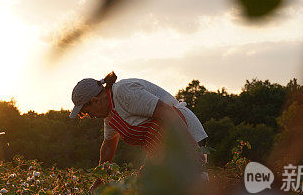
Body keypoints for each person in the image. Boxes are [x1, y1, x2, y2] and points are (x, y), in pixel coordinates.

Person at [70, 72, 208, 188]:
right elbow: (108, 146)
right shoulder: (110, 115)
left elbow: (167, 112)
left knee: (186, 193)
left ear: (95, 101)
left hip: (185, 133)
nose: (90, 116)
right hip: (164, 147)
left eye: (86, 111)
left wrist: (192, 149)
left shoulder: (124, 92)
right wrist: (99, 180)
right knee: (145, 185)